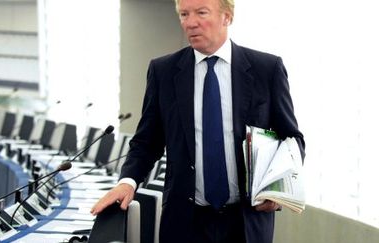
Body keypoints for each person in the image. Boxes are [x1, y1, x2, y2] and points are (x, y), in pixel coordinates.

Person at [91, 0, 305, 242]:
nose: (190, 23)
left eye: (201, 13)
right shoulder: (164, 71)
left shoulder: (267, 69)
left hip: (247, 223)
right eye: (184, 14)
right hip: (185, 223)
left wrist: (277, 190)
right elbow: (146, 142)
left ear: (227, 17)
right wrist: (128, 182)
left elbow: (291, 139)